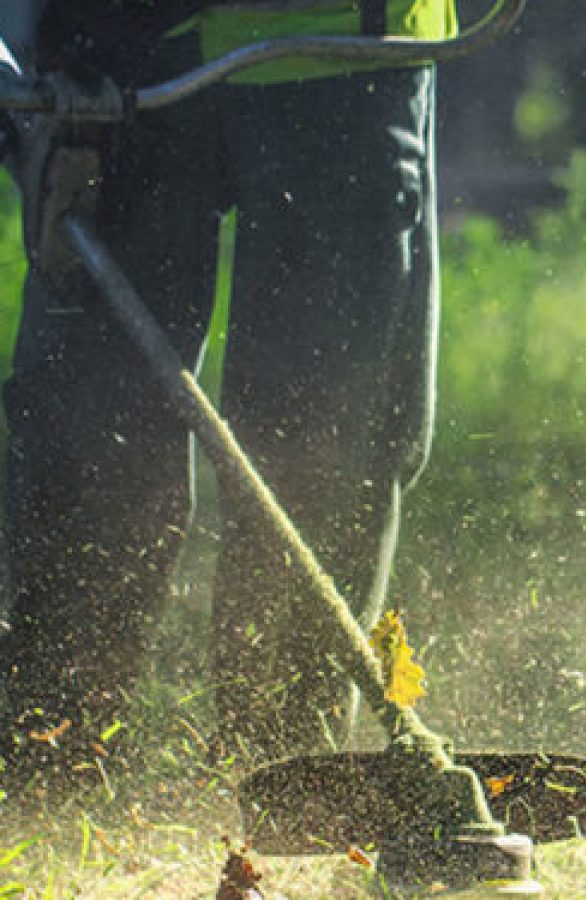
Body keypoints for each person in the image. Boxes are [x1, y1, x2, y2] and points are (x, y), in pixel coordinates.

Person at [0, 0, 456, 785]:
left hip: (338, 44)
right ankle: (38, 777)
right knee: (86, 437)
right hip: (108, 51)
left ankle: (291, 786)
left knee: (324, 443)